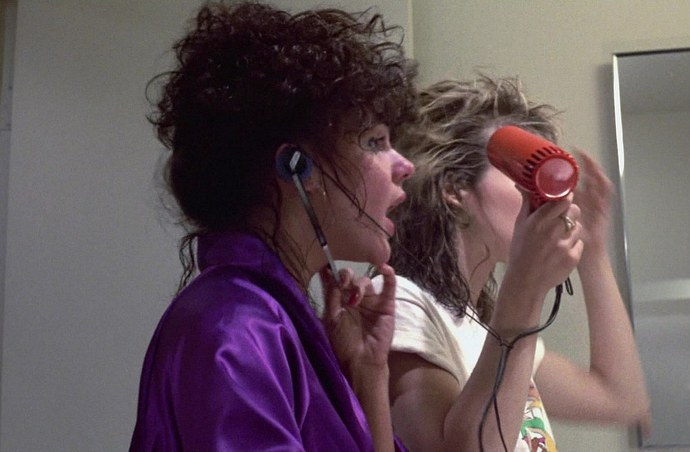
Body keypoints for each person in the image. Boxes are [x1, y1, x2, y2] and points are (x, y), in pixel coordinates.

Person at [130, 2, 417, 451]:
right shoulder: (236, 327)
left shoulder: (270, 318)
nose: (405, 165)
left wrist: (369, 374)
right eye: (375, 141)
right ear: (297, 166)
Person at [383, 75, 651, 451]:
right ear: (455, 189)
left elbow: (621, 399)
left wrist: (592, 252)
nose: (542, 195)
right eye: (521, 174)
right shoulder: (400, 303)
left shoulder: (482, 331)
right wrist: (525, 290)